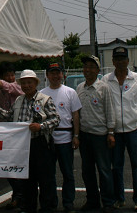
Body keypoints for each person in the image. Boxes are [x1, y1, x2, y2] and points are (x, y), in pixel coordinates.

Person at [0, 69, 60, 213]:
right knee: (27, 179)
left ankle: (48, 208)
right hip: (23, 146)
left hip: (41, 143)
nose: (26, 85)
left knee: (45, 179)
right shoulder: (19, 100)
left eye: (29, 82)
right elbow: (9, 116)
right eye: (23, 83)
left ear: (35, 83)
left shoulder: (44, 99)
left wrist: (41, 126)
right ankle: (28, 207)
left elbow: (56, 119)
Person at [103, 46, 137, 212]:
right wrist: (108, 129)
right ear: (113, 61)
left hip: (135, 130)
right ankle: (119, 199)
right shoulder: (106, 80)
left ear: (128, 61)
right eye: (117, 59)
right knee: (116, 167)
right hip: (115, 132)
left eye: (123, 59)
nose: (120, 62)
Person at [76, 55, 116, 213]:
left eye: (92, 67)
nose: (88, 70)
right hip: (85, 135)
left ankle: (108, 202)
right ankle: (92, 200)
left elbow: (109, 111)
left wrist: (111, 132)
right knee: (87, 171)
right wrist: (77, 135)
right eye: (86, 66)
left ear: (98, 70)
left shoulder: (104, 88)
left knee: (104, 170)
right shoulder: (79, 88)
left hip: (100, 135)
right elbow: (77, 114)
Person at [41, 63, 82, 213]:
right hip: (48, 138)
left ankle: (68, 202)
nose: (55, 76)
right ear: (47, 75)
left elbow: (76, 115)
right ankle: (51, 203)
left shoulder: (70, 92)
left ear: (62, 75)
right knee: (48, 174)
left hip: (66, 137)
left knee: (68, 173)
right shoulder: (42, 94)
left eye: (58, 73)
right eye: (52, 73)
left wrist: (76, 135)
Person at [0, 62, 24, 210]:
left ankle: (21, 197)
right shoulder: (0, 94)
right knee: (8, 166)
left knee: (20, 165)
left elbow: (8, 86)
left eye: (12, 74)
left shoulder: (18, 87)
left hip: (20, 134)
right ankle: (18, 195)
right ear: (2, 76)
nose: (10, 77)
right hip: (7, 135)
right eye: (7, 75)